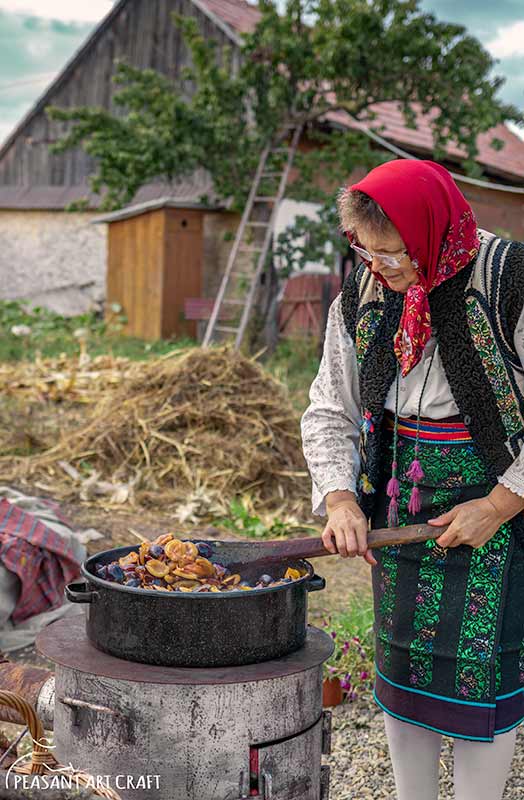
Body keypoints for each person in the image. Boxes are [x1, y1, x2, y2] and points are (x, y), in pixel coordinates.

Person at [300, 159, 524, 800]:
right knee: (402, 667)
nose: (382, 268)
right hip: (399, 502)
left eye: (395, 254)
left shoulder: (508, 280)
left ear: (431, 234)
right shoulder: (365, 293)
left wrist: (501, 504)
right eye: (366, 253)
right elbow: (329, 406)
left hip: (494, 506)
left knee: (481, 678)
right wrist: (342, 499)